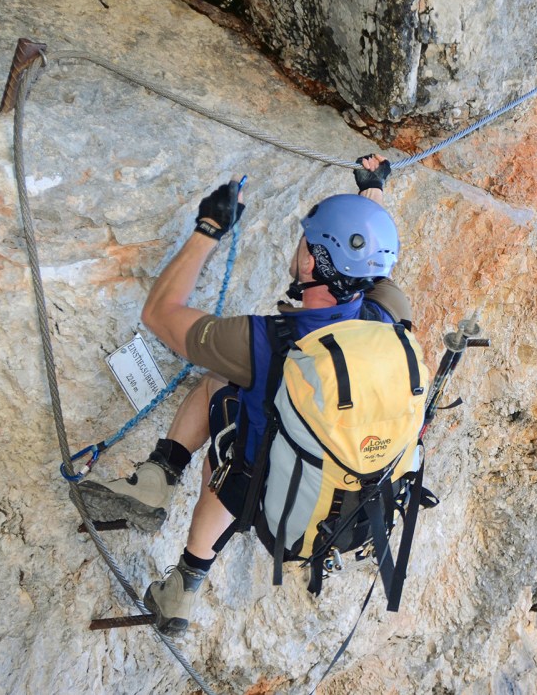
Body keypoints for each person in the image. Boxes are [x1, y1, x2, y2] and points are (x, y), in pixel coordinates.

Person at [79, 154, 413, 636]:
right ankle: (184, 586)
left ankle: (158, 478)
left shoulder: (265, 343)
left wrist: (208, 229)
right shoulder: (390, 315)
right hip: (342, 511)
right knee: (252, 421)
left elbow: (159, 313)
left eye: (305, 241)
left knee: (222, 390)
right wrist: (371, 191)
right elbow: (371, 264)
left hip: (267, 497)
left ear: (308, 261)